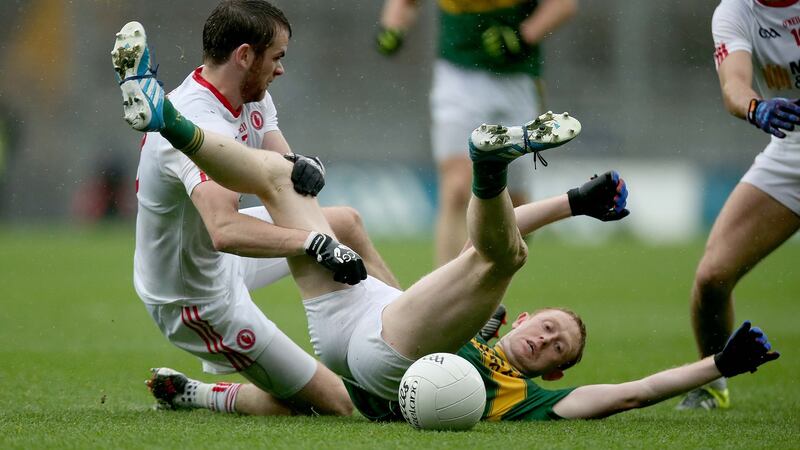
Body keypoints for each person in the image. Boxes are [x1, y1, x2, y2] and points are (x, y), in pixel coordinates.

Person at [113, 22, 780, 422]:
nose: (547, 342)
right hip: (360, 316)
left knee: (501, 258)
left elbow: (626, 393)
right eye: (551, 328)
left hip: (383, 359)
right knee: (300, 190)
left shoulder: (522, 396)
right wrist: (575, 203)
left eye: (557, 352)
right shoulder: (483, 325)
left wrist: (716, 364)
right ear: (523, 319)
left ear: (551, 374)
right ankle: (165, 116)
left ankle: (488, 171)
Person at [117, 1, 400, 418]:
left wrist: (305, 166)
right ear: (245, 55)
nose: (281, 69)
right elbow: (225, 231)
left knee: (347, 222)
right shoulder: (200, 119)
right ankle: (197, 393)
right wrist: (313, 242)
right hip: (195, 296)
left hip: (219, 260)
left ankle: (408, 328)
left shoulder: (250, 96)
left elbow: (285, 175)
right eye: (277, 57)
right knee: (336, 404)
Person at [376, 0, 578, 267]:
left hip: (517, 80)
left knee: (514, 206)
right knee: (457, 188)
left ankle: (494, 276)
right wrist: (393, 28)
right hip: (458, 77)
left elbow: (563, 5)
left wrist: (523, 35)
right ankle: (447, 296)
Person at [676, 0, 800, 411]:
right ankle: (710, 383)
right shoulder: (734, 11)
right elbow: (734, 85)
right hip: (792, 151)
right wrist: (756, 106)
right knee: (712, 277)